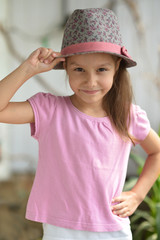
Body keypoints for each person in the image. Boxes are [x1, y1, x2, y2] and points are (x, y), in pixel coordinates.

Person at [0, 8, 160, 240]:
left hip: (112, 229)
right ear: (65, 67)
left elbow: (156, 151)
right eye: (79, 69)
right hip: (60, 229)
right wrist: (27, 69)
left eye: (102, 69)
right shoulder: (49, 110)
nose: (90, 81)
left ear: (117, 67)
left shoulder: (128, 116)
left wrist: (137, 194)